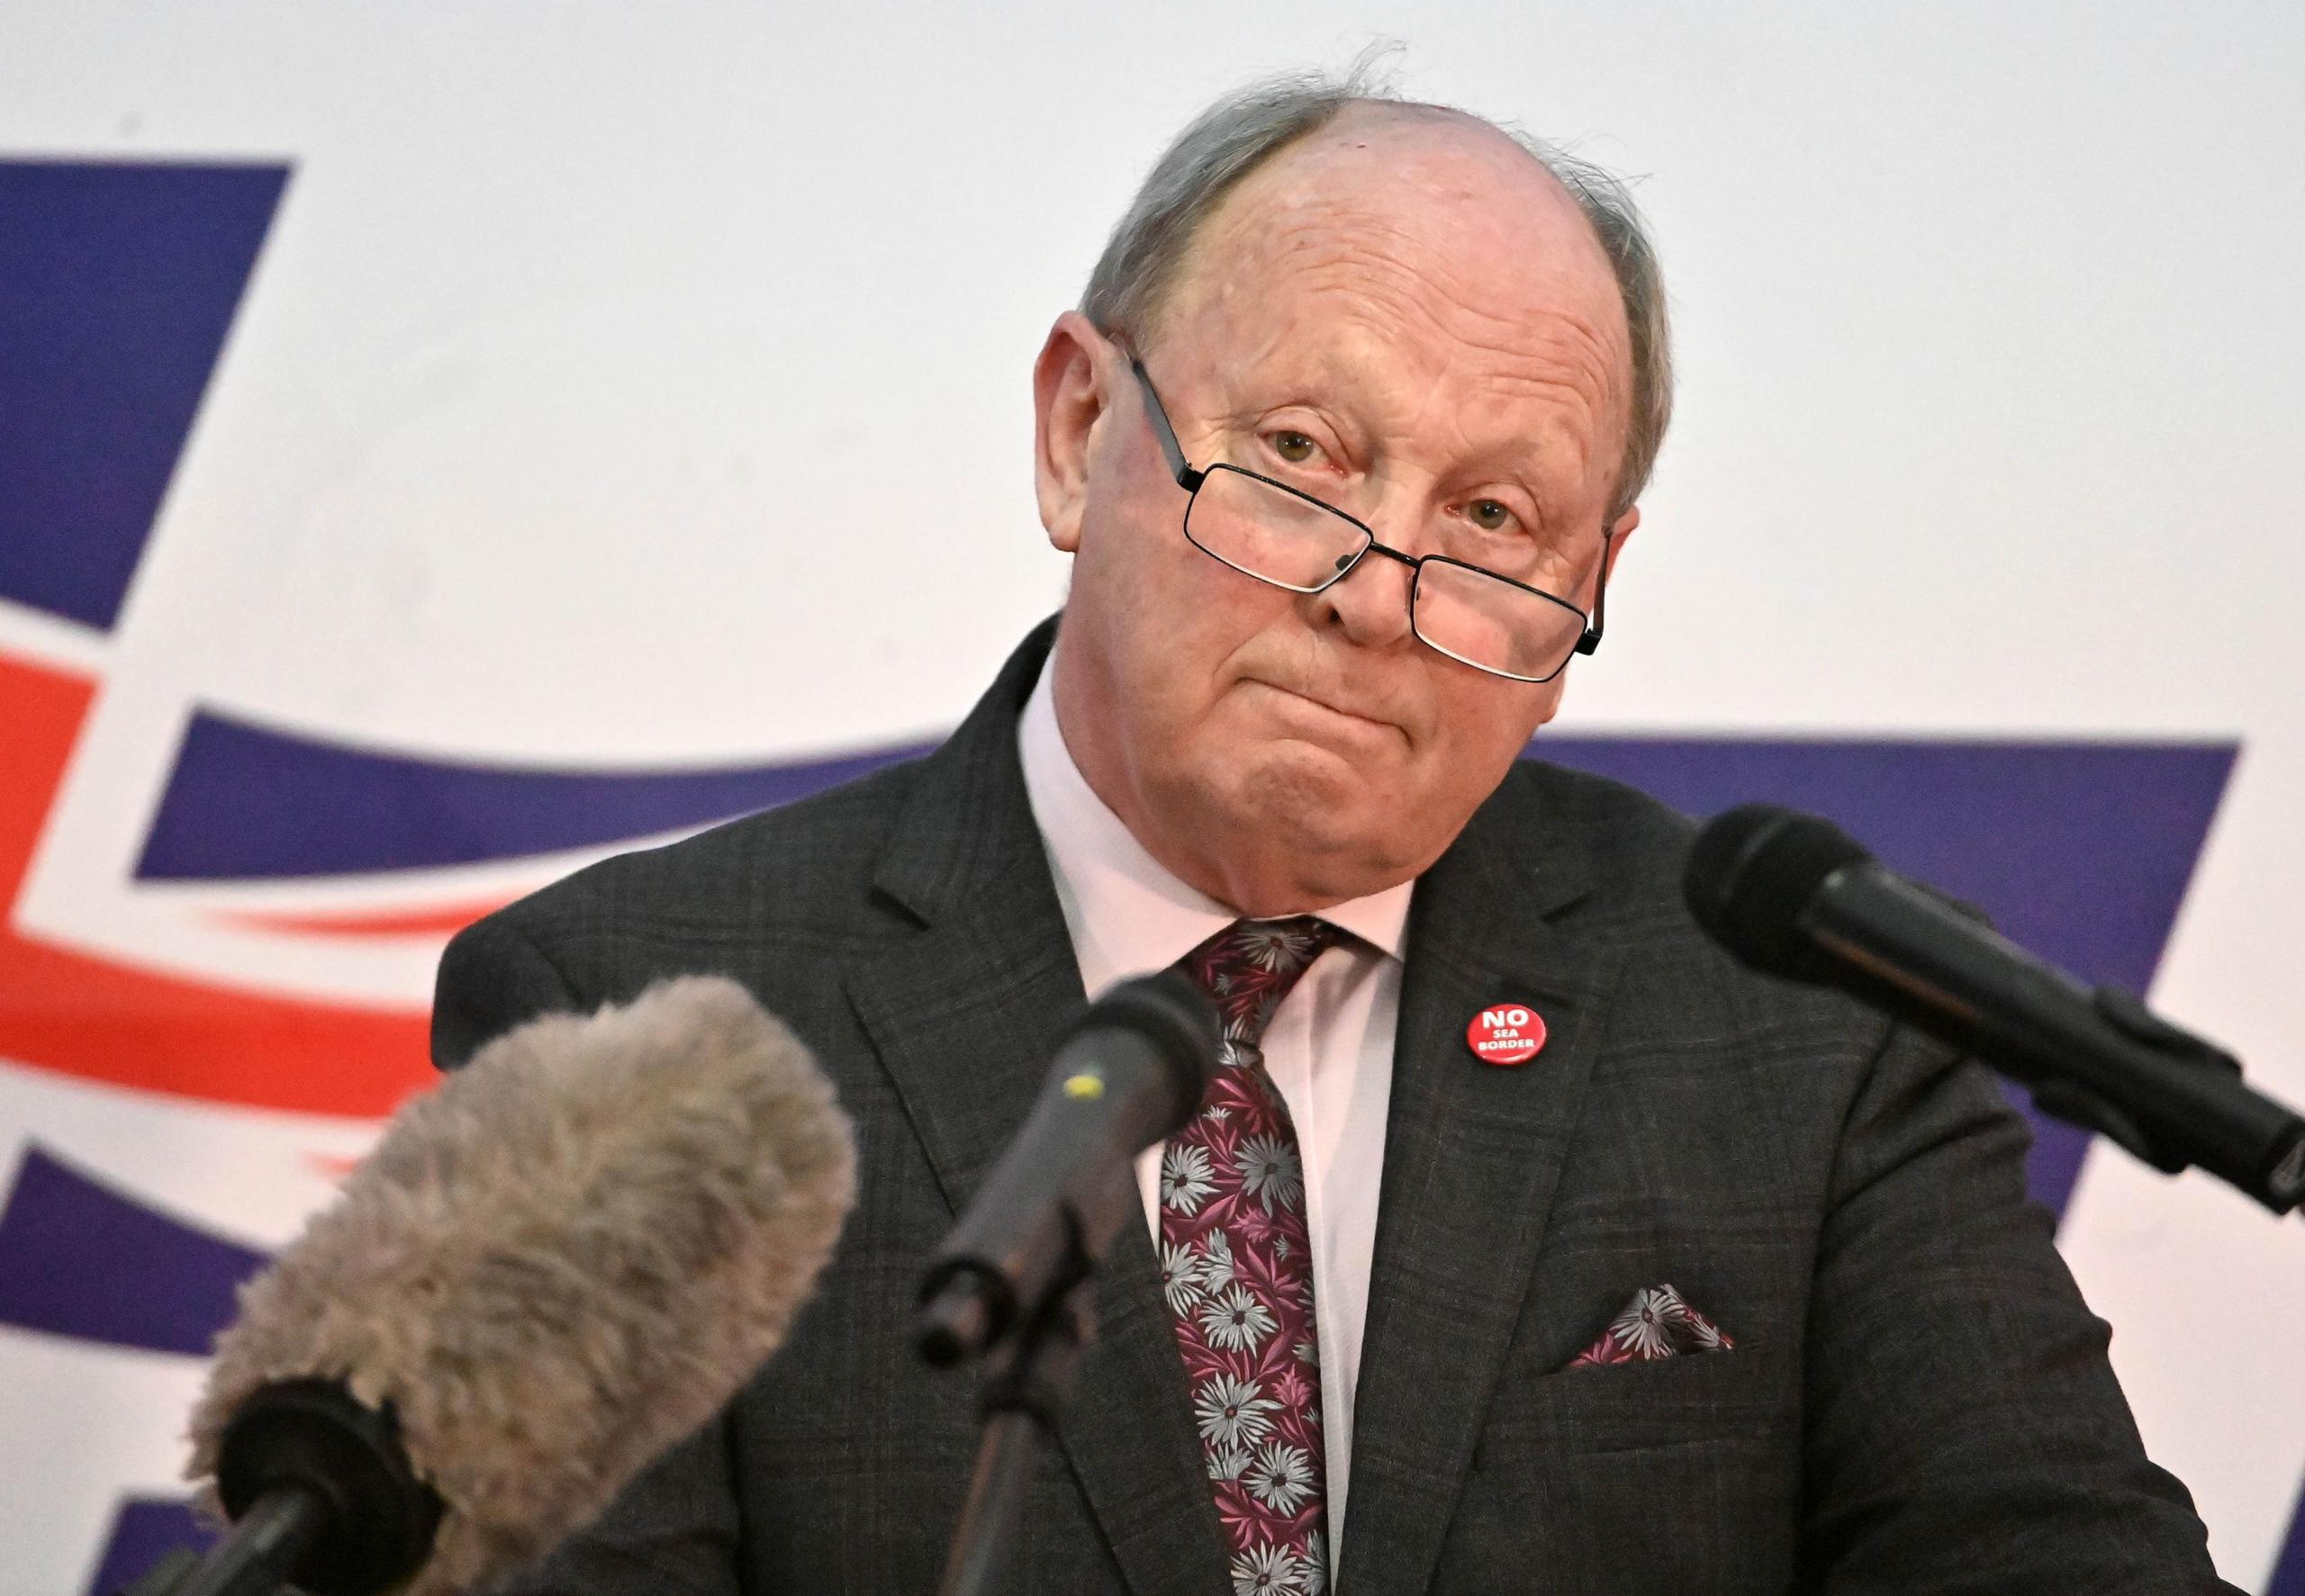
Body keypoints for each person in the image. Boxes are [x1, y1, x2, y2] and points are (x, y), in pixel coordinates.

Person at [433, 68, 2228, 1595]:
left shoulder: (1792, 1028)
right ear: (1077, 432)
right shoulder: (638, 1019)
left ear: (1587, 585)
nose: (1377, 593)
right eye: (1298, 452)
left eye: (1493, 511)